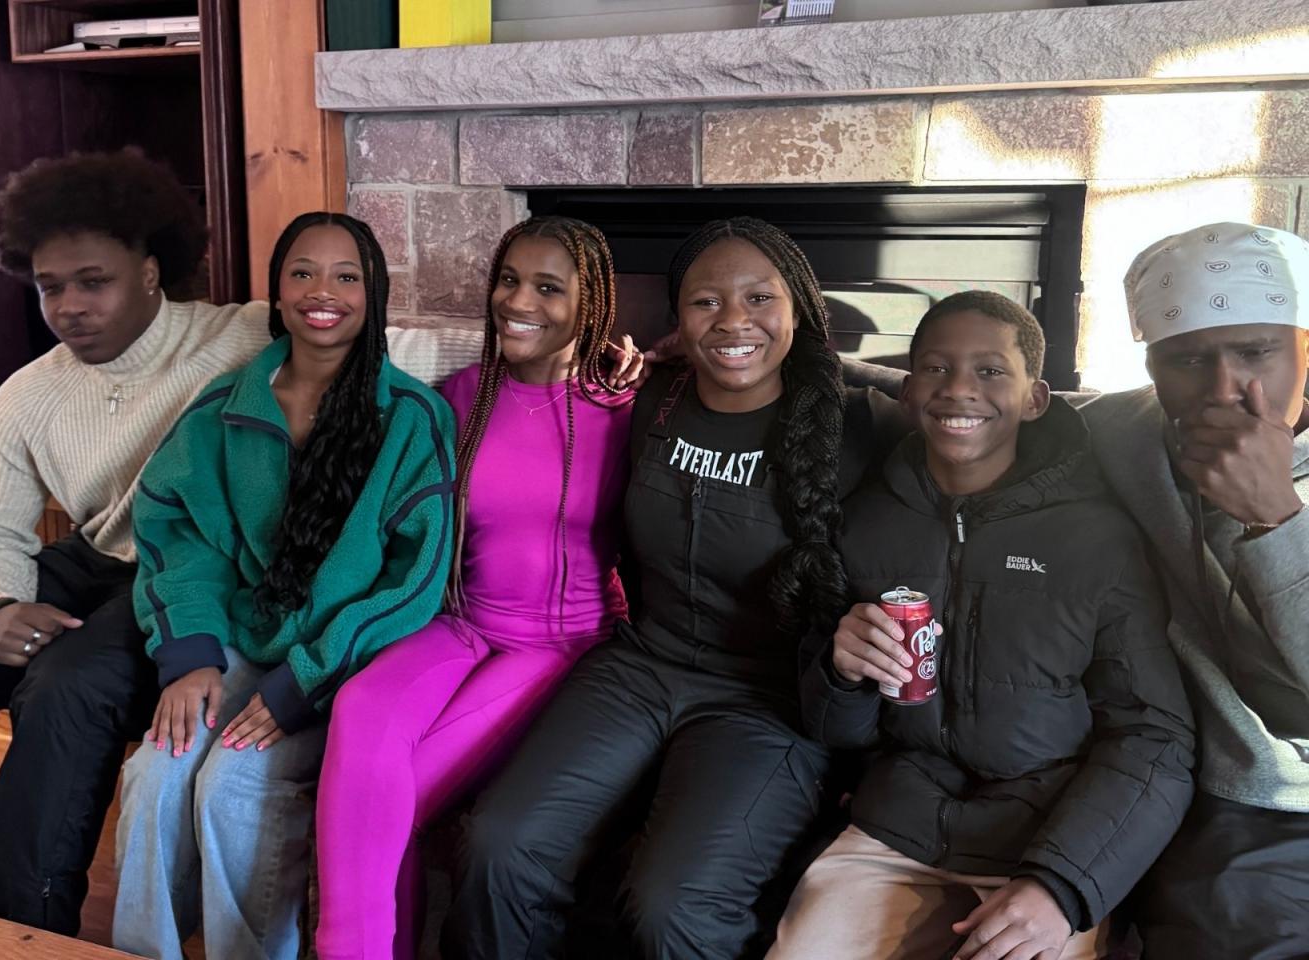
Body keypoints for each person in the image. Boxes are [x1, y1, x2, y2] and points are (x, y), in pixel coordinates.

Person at [444, 217, 898, 960]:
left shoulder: (857, 424)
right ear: (678, 320)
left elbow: (952, 410)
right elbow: (565, 388)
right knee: (500, 841)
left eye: (759, 299)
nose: (733, 322)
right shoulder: (649, 397)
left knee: (671, 904)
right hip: (642, 664)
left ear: (799, 307)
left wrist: (909, 382)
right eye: (705, 303)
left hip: (768, 699)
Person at [0, 149, 268, 933]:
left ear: (152, 271)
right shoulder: (31, 391)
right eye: (51, 287)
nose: (69, 307)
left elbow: (372, 347)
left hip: (189, 567)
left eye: (95, 282)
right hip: (93, 559)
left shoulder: (243, 339)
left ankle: (14, 923)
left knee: (68, 685)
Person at [769, 291, 1197, 960]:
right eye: (936, 369)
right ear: (909, 393)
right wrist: (838, 670)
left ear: (1035, 397)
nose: (960, 389)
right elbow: (835, 732)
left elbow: (1155, 737)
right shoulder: (863, 523)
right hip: (895, 830)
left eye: (991, 370)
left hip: (1046, 842)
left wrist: (1063, 886)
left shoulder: (1100, 539)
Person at [111, 212, 455, 960]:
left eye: (346, 276)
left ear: (375, 294)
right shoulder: (225, 406)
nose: (321, 292)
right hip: (238, 643)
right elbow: (177, 532)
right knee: (155, 776)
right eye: (302, 272)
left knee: (231, 787)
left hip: (339, 669)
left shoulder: (412, 419)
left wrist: (302, 683)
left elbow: (413, 583)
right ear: (276, 288)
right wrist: (191, 654)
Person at [314, 215, 643, 960]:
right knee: (362, 707)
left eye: (548, 288)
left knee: (389, 802)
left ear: (592, 307)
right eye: (509, 280)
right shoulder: (458, 398)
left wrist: (659, 359)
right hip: (460, 623)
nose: (518, 300)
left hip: (561, 643)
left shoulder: (625, 404)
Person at [1076, 223, 1309, 959]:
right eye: (1186, 360)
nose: (1223, 389)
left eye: (1255, 352)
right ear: (1149, 366)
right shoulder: (1124, 432)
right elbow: (983, 396)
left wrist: (1276, 517)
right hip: (1216, 795)